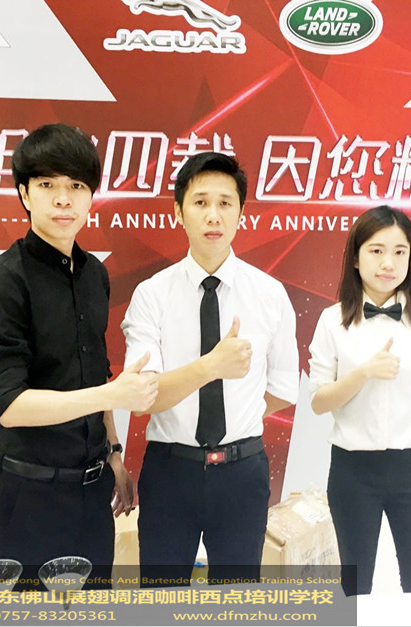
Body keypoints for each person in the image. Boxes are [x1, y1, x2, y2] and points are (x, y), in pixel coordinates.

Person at [0, 123, 158, 578]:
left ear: (91, 196)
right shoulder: (2, 283)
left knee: (94, 607)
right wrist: (112, 395)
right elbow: (10, 406)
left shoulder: (94, 274)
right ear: (24, 194)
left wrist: (114, 453)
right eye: (47, 185)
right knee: (28, 610)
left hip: (93, 496)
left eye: (76, 186)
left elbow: (96, 369)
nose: (62, 199)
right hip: (29, 498)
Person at [121, 151, 299, 586]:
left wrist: (238, 416)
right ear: (178, 211)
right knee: (160, 599)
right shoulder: (152, 295)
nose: (213, 215)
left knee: (236, 602)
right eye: (200, 202)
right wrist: (211, 367)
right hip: (170, 471)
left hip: (242, 472)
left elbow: (282, 389)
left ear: (241, 213)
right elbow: (142, 399)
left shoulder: (269, 294)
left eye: (225, 203)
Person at [308, 205, 411, 595]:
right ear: (355, 258)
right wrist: (362, 372)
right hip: (353, 472)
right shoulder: (332, 322)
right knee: (355, 589)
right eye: (376, 251)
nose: (388, 263)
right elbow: (319, 402)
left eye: (399, 252)